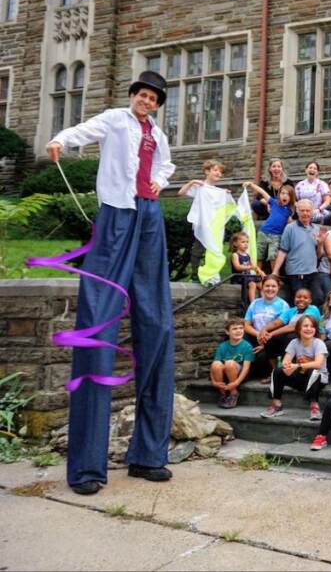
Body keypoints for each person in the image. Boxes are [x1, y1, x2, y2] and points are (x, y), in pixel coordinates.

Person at [47, 70, 177, 495]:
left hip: (150, 217)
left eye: (152, 97)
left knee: (156, 324)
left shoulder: (157, 133)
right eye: (141, 94)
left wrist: (161, 181)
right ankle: (86, 468)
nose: (146, 101)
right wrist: (61, 141)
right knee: (99, 326)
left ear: (158, 103)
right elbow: (86, 130)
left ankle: (148, 455)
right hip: (118, 215)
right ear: (133, 96)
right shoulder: (116, 119)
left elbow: (165, 163)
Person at [260, 314, 328, 421]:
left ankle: (314, 406)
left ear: (315, 329)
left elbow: (318, 364)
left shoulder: (319, 343)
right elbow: (285, 362)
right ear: (298, 329)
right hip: (301, 378)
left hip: (318, 380)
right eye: (305, 326)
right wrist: (287, 366)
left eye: (312, 326)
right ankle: (276, 405)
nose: (308, 329)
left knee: (313, 371)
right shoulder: (294, 342)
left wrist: (297, 365)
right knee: (278, 371)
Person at [178, 159, 234, 282]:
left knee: (213, 249)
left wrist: (225, 195)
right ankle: (194, 274)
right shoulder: (200, 187)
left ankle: (210, 274)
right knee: (198, 248)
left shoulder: (219, 192)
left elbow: (225, 208)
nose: (218, 173)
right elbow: (181, 192)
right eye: (215, 170)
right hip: (203, 224)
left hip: (214, 226)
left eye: (220, 171)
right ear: (207, 171)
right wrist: (192, 182)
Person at [273, 199, 324, 305]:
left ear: (312, 211)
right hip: (295, 273)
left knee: (318, 297)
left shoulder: (316, 229)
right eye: (302, 210)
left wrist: (320, 244)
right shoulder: (290, 228)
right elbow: (283, 251)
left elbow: (319, 255)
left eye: (308, 210)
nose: (305, 213)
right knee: (299, 301)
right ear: (297, 211)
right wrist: (275, 271)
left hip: (312, 272)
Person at [244, 274, 290, 379]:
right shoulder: (255, 303)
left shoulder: (284, 305)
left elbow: (281, 327)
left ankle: (270, 375)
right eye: (267, 286)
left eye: (273, 286)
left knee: (261, 357)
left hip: (272, 341)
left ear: (278, 288)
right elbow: (247, 325)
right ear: (263, 287)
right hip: (256, 336)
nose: (270, 289)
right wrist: (258, 335)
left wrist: (265, 341)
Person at [245, 180, 295, 273]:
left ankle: (274, 276)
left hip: (276, 236)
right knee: (259, 255)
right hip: (263, 232)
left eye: (287, 194)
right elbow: (262, 192)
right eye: (283, 193)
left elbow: (290, 222)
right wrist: (251, 185)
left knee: (273, 257)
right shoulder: (274, 202)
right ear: (279, 194)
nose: (284, 196)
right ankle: (257, 276)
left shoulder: (289, 210)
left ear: (291, 197)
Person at [210, 317, 253, 409]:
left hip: (240, 375)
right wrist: (214, 382)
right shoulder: (223, 346)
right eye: (234, 329)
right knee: (216, 364)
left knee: (230, 363)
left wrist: (236, 383)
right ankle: (223, 393)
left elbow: (246, 368)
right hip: (225, 374)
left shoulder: (247, 346)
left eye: (241, 328)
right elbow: (213, 366)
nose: (238, 331)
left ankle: (233, 393)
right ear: (227, 332)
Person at [229, 231, 264, 305]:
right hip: (239, 277)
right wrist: (250, 267)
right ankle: (252, 304)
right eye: (243, 242)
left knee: (262, 284)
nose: (246, 244)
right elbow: (237, 267)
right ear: (235, 244)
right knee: (252, 284)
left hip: (247, 277)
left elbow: (254, 266)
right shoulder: (235, 255)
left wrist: (260, 271)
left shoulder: (248, 255)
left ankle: (263, 302)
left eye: (247, 242)